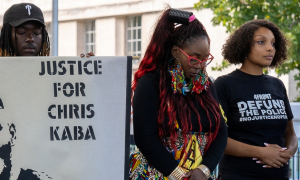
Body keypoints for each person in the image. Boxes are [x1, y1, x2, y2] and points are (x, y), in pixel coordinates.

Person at [129, 8, 227, 180]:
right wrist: (178, 174)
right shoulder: (151, 82)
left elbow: (221, 132)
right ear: (175, 52)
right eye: (194, 58)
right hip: (155, 174)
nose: (200, 65)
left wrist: (204, 169)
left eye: (205, 59)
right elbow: (145, 138)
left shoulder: (207, 85)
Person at [214, 19, 298, 180]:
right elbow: (217, 138)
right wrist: (260, 152)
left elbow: (290, 134)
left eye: (273, 44)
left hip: (279, 175)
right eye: (261, 42)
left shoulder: (278, 85)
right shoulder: (224, 84)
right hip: (238, 174)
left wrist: (287, 153)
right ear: (245, 45)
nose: (270, 48)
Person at [0, 2, 94, 57]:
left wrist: (87, 70)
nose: (30, 38)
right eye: (22, 32)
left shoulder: (55, 72)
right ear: (7, 36)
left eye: (36, 33)